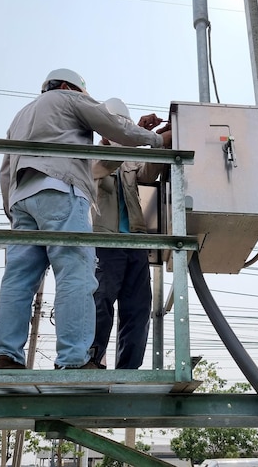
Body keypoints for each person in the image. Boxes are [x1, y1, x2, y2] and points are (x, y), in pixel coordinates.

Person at [0, 69, 172, 370]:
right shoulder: (69, 101)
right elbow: (113, 134)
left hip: (23, 198)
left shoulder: (21, 117)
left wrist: (13, 209)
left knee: (19, 278)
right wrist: (153, 138)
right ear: (66, 86)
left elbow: (6, 170)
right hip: (63, 193)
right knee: (76, 274)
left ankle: (6, 354)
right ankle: (75, 360)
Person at [91, 98, 170, 369]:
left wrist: (161, 139)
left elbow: (149, 174)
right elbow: (106, 163)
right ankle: (90, 360)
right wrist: (137, 135)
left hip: (135, 241)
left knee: (137, 309)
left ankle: (129, 369)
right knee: (100, 300)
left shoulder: (130, 160)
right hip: (103, 240)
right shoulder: (91, 157)